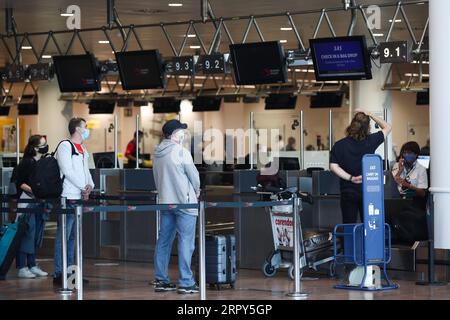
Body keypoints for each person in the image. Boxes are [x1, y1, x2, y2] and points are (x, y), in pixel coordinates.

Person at [152, 119, 201, 294]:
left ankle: (161, 279)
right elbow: (194, 177)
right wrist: (196, 190)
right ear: (173, 134)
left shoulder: (157, 153)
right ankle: (186, 282)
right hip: (184, 202)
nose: (183, 134)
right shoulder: (181, 152)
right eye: (181, 131)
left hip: (166, 202)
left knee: (164, 241)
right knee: (186, 242)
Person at [330, 110, 392, 224]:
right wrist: (371, 114)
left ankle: (348, 242)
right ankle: (368, 242)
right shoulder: (371, 141)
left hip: (348, 190)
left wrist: (351, 178)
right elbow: (387, 127)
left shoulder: (340, 145)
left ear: (352, 124)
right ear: (367, 127)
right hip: (368, 191)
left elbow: (333, 166)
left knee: (349, 225)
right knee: (369, 225)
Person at [53, 118, 95, 286]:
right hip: (67, 195)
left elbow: (86, 171)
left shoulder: (83, 149)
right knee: (63, 235)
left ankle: (70, 273)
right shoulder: (65, 146)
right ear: (77, 129)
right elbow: (67, 170)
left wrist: (90, 186)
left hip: (78, 196)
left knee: (72, 237)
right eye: (85, 127)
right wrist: (82, 186)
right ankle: (58, 272)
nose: (87, 130)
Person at [14, 135, 49, 278]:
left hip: (38, 201)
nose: (46, 146)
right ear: (35, 148)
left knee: (35, 234)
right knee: (26, 233)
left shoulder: (42, 162)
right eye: (43, 144)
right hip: (27, 201)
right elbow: (20, 182)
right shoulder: (26, 163)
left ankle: (32, 265)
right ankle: (22, 267)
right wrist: (34, 190)